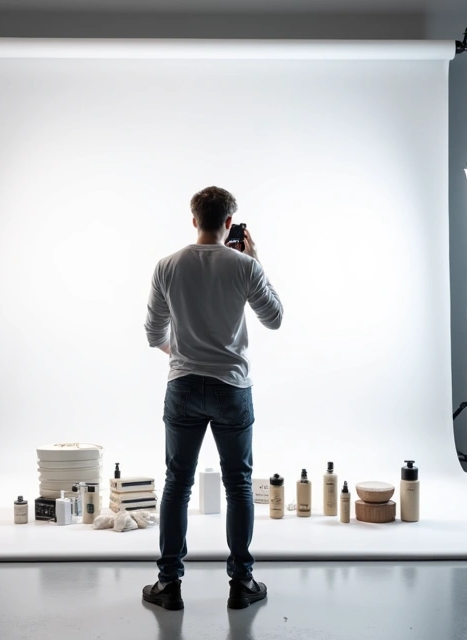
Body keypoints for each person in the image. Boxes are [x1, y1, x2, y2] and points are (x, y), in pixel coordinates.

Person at [142, 186, 283, 611]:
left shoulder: (167, 266)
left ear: (193, 220)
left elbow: (153, 333)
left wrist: (182, 352)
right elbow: (273, 319)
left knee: (177, 486)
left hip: (183, 386)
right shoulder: (244, 266)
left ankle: (169, 586)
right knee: (238, 487)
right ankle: (241, 584)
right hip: (232, 389)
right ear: (229, 223)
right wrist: (254, 258)